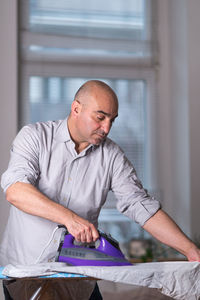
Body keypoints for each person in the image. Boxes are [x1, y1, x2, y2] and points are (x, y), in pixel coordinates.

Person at [1, 80, 200, 299]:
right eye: (100, 117)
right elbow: (16, 190)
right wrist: (70, 219)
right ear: (76, 108)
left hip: (79, 276)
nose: (106, 128)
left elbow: (140, 206)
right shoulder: (34, 137)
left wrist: (190, 250)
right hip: (25, 274)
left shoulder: (113, 156)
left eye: (112, 120)